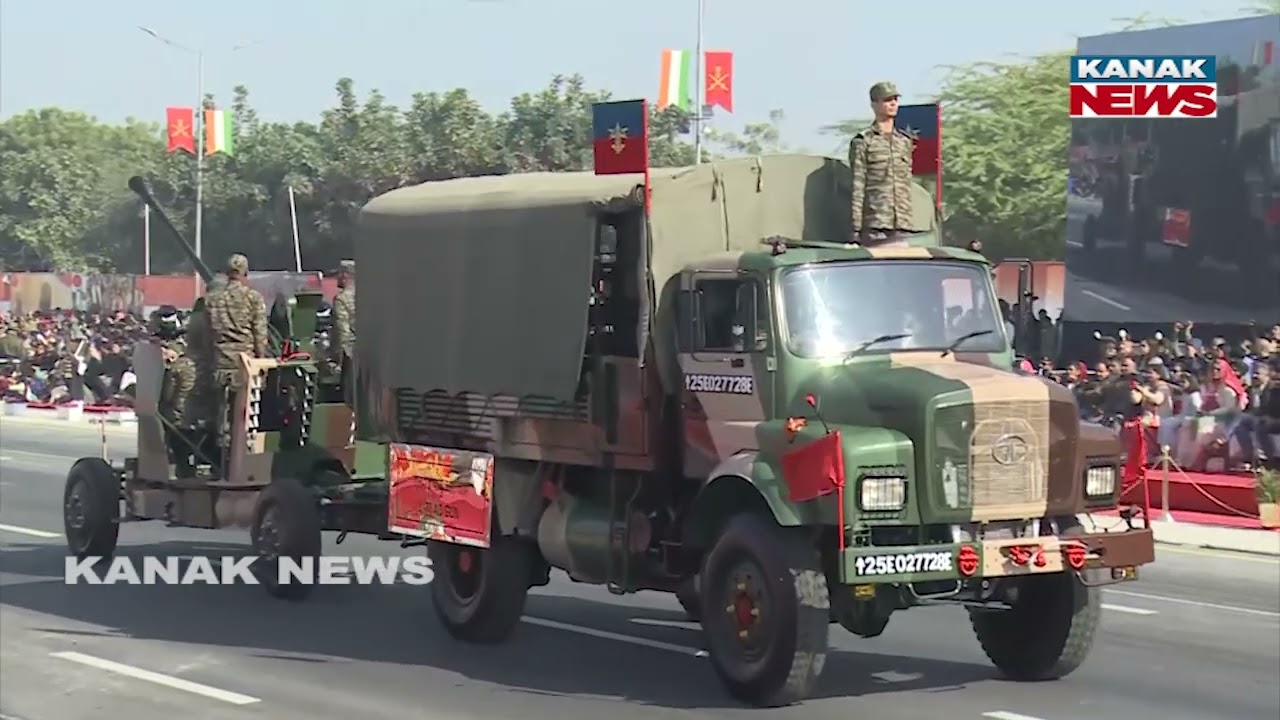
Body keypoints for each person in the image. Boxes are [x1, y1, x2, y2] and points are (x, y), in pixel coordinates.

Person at [203, 254, 268, 432]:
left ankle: (220, 441)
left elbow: (207, 335)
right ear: (245, 273)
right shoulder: (253, 298)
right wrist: (261, 362)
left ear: (227, 273)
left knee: (220, 414)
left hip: (220, 363)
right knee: (244, 417)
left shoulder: (212, 299)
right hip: (245, 365)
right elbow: (260, 335)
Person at [849, 81, 919, 243]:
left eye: (895, 99)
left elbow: (907, 182)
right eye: (887, 100)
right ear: (874, 104)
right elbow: (857, 185)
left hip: (903, 224)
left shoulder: (904, 141)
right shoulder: (863, 141)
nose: (893, 103)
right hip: (876, 222)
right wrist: (856, 228)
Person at [330, 259, 356, 394]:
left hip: (351, 358)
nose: (337, 277)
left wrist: (340, 364)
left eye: (339, 274)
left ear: (345, 275)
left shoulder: (341, 299)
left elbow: (343, 332)